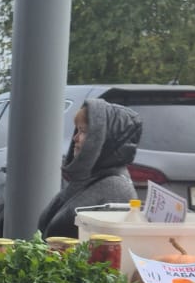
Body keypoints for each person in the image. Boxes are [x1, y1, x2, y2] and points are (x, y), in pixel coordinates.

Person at [36, 97, 142, 238]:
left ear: (104, 139)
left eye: (83, 131)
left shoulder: (116, 189)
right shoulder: (87, 179)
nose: (75, 138)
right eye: (77, 130)